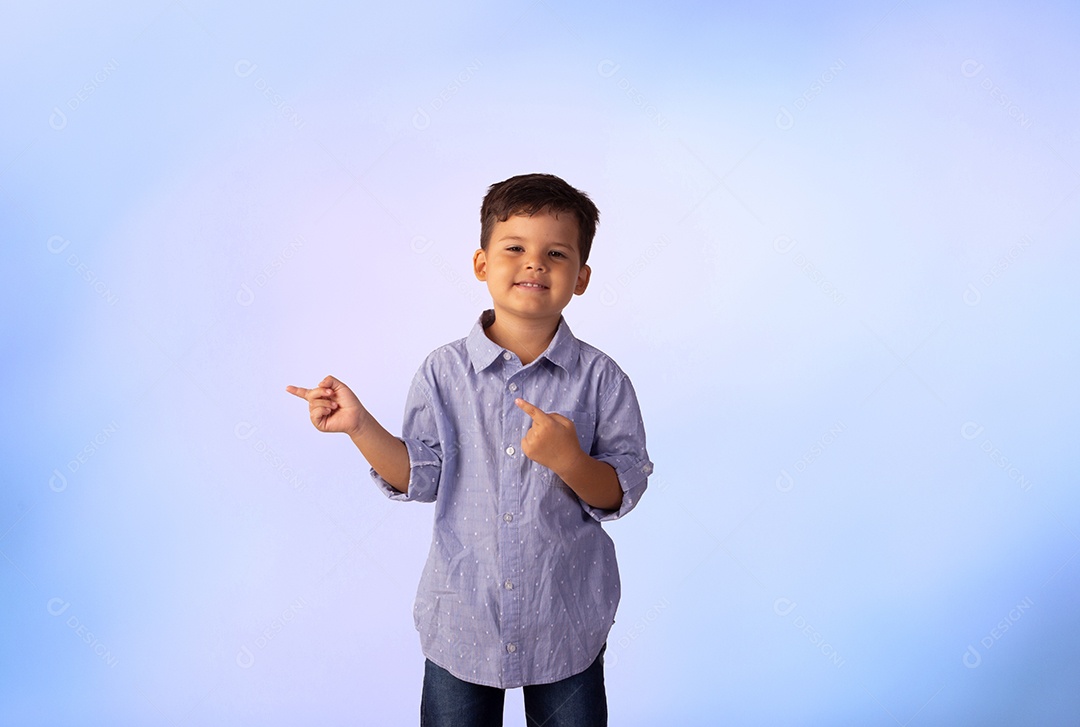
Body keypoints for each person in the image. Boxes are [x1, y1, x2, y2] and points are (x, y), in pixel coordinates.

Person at [287, 173, 653, 726]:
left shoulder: (602, 379)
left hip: (566, 617)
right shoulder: (443, 372)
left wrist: (570, 461)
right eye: (515, 249)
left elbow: (620, 492)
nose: (535, 264)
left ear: (581, 277)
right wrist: (360, 427)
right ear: (482, 264)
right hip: (462, 616)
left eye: (556, 254)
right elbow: (420, 477)